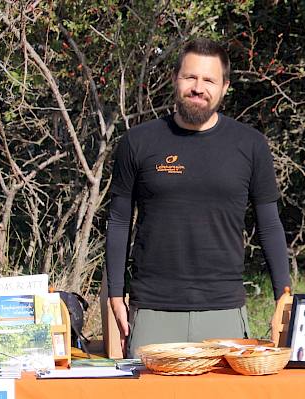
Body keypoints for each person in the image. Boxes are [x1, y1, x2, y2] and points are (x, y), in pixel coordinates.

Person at [105, 38, 291, 358]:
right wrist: (115, 294)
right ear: (175, 79)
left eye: (209, 80)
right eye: (190, 77)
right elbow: (119, 220)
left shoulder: (250, 145)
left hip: (224, 311)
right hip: (153, 310)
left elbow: (270, 225)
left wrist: (283, 295)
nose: (198, 87)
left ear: (224, 87)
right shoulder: (138, 142)